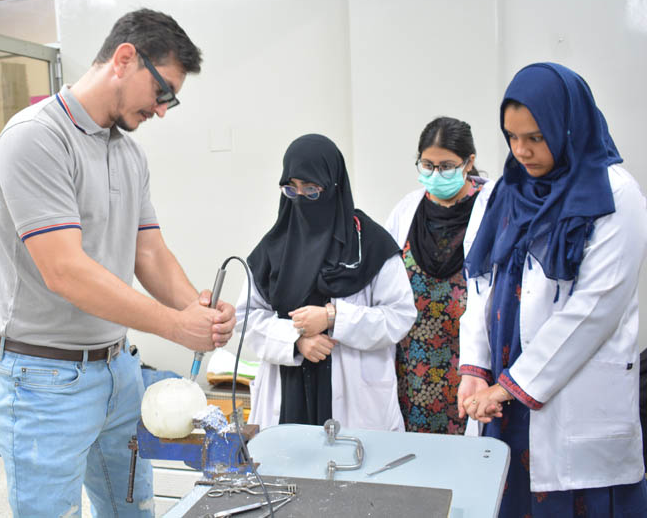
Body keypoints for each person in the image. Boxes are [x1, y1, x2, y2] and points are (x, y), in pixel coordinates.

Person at [0, 9, 235, 517]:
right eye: (162, 92)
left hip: (117, 369)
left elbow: (150, 252)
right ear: (124, 59)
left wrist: (197, 309)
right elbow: (66, 272)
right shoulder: (36, 138)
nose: (163, 110)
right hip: (44, 381)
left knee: (132, 511)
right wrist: (173, 325)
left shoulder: (129, 154)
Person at [459, 62, 647, 516]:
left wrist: (508, 387)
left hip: (567, 395)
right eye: (511, 137)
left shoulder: (615, 197)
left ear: (569, 126)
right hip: (501, 397)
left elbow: (594, 312)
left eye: (535, 138)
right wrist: (475, 370)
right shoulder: (500, 192)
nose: (521, 150)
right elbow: (481, 287)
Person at [235, 134, 416, 431]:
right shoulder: (272, 250)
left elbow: (400, 316)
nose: (301, 199)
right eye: (291, 190)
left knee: (353, 471)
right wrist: (296, 341)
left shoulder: (370, 245)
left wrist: (333, 318)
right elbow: (247, 320)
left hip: (357, 404)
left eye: (312, 190)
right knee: (287, 472)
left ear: (334, 187)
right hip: (289, 393)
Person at [385, 117, 492, 435]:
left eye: (446, 166)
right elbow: (383, 276)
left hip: (471, 362)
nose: (435, 174)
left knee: (469, 458)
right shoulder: (407, 210)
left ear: (469, 162)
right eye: (427, 165)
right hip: (415, 367)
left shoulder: (493, 207)